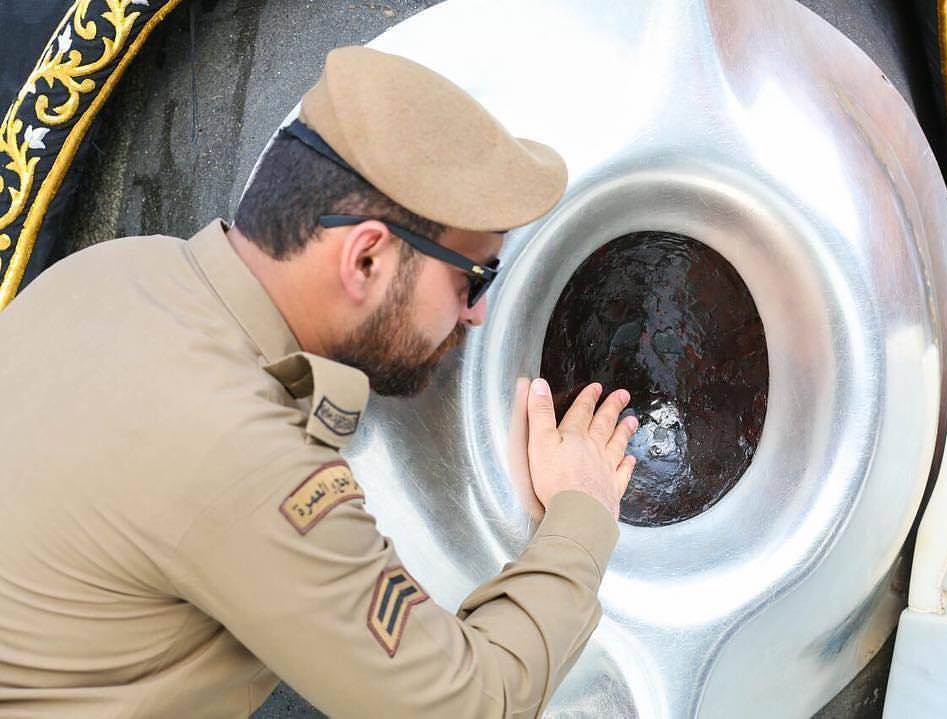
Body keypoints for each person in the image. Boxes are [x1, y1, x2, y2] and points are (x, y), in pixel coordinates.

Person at [0, 46, 639, 717]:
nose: (477, 313)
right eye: (470, 278)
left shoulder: (121, 269)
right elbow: (468, 704)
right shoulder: (238, 456)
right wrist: (580, 514)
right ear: (365, 257)